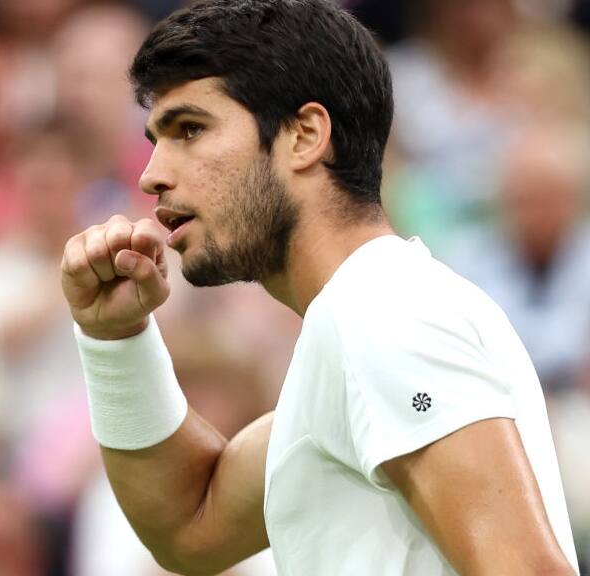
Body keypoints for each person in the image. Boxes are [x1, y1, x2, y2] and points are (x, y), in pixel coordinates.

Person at [60, 1, 579, 574]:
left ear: (305, 136)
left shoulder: (383, 316)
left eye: (190, 129)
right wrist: (117, 338)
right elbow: (191, 524)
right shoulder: (360, 318)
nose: (151, 173)